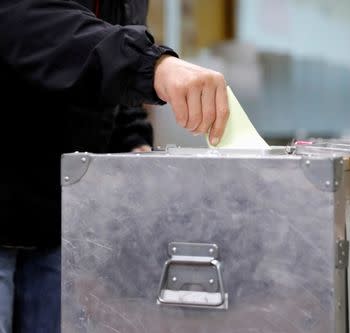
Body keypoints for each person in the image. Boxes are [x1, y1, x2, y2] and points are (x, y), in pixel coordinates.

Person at [0, 0, 229, 332]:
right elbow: (31, 22)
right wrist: (151, 66)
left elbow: (105, 76)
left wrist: (131, 138)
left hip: (62, 221)